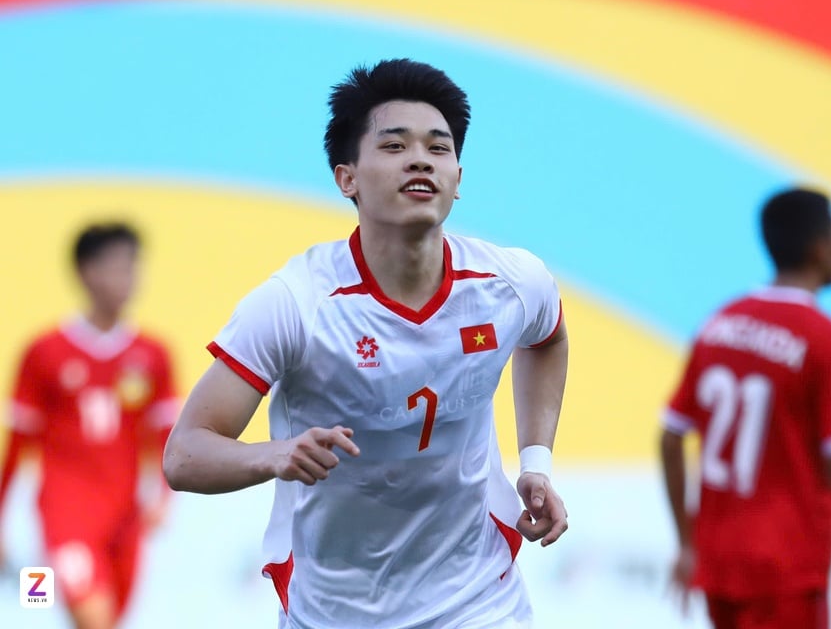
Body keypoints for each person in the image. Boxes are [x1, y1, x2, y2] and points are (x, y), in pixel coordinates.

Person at [162, 58, 569, 628]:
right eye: (395, 146)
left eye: (438, 148)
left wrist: (536, 462)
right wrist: (275, 455)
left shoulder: (511, 283)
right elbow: (184, 455)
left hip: (479, 598)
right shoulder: (296, 304)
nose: (420, 160)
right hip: (331, 608)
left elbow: (547, 339)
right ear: (346, 178)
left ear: (457, 178)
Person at [659, 188, 831, 629]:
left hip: (718, 563)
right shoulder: (828, 342)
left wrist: (686, 543)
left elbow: (671, 439)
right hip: (786, 571)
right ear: (820, 247)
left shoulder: (719, 324)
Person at [0, 222, 178, 629]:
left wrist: (165, 495)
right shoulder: (44, 352)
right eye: (117, 266)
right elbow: (17, 444)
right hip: (64, 513)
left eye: (133, 266)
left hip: (126, 517)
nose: (128, 277)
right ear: (86, 271)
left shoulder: (152, 354)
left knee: (108, 621)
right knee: (93, 618)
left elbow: (169, 435)